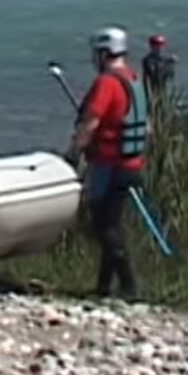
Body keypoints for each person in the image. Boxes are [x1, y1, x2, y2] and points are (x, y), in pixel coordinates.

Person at [66, 27, 148, 300]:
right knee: (112, 222)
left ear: (103, 53)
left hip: (110, 164)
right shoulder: (133, 79)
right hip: (132, 163)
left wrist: (73, 151)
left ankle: (129, 285)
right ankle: (104, 286)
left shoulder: (107, 83)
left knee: (102, 225)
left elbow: (91, 121)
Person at [141, 34, 177, 113]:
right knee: (154, 110)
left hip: (164, 88)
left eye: (161, 45)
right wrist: (168, 64)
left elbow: (170, 76)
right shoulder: (148, 60)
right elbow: (155, 74)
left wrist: (170, 65)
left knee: (165, 108)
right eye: (156, 45)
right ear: (152, 46)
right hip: (153, 89)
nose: (159, 47)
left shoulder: (165, 59)